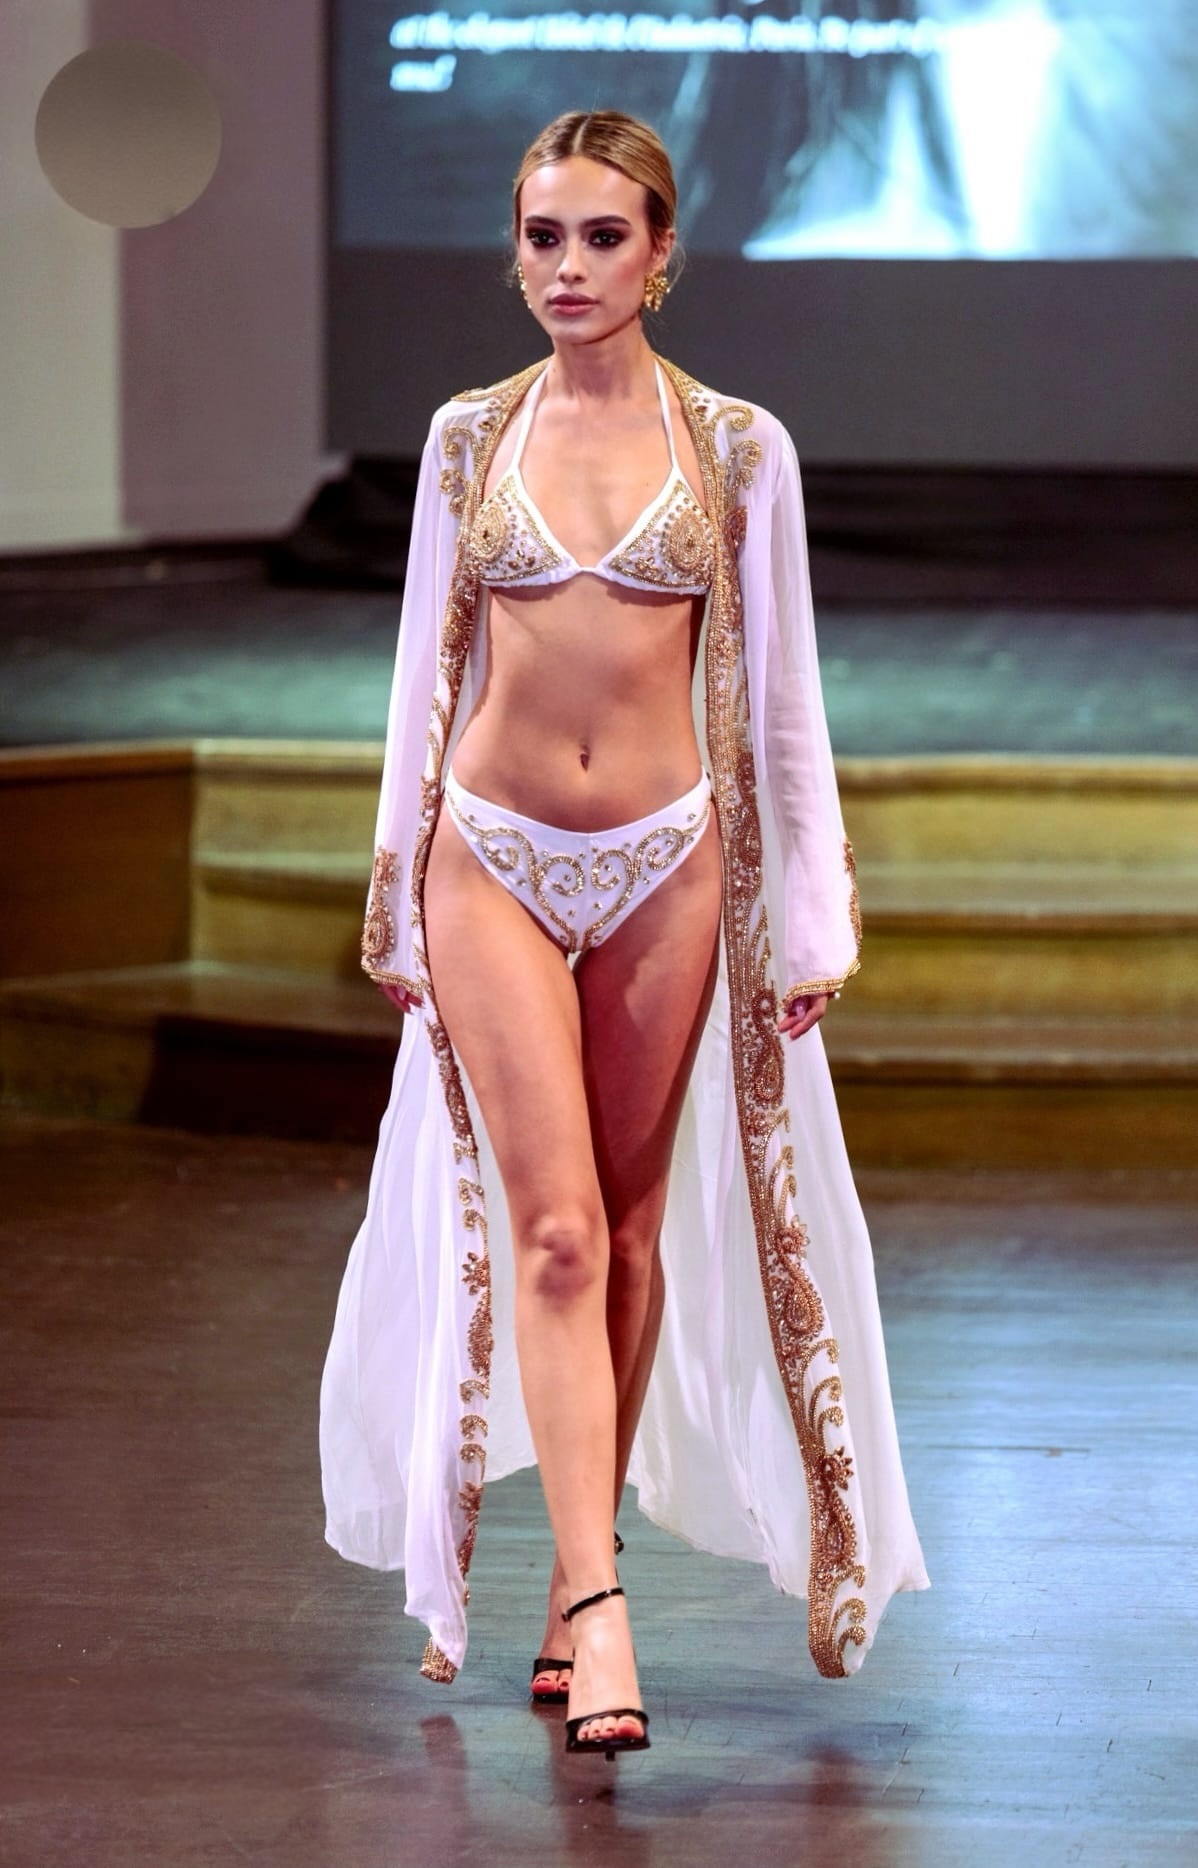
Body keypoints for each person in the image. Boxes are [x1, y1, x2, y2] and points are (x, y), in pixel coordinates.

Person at [319, 109, 928, 1761]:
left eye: (602, 237)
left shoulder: (738, 447)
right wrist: (396, 884)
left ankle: (569, 1573)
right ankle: (599, 1608)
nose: (568, 267)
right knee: (557, 1237)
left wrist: (809, 919)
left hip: (669, 859)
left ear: (662, 254)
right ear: (514, 250)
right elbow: (425, 674)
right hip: (492, 857)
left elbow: (781, 698)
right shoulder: (466, 439)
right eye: (542, 236)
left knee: (636, 1232)